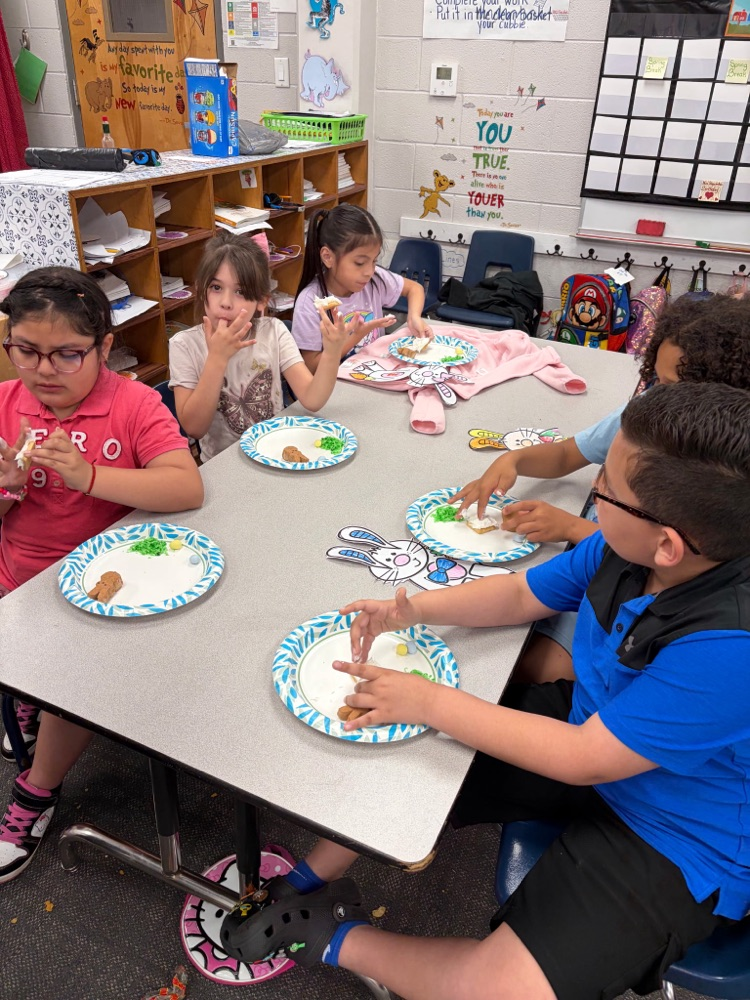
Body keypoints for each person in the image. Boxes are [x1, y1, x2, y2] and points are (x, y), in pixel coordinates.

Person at [221, 382, 750, 1000]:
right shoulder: (626, 545)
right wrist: (408, 609)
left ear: (667, 543)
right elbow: (523, 592)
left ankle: (330, 935)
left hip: (679, 830)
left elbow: (583, 758)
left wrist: (429, 700)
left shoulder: (730, 646)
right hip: (593, 728)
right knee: (406, 749)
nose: (593, 495)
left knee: (499, 990)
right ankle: (310, 876)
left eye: (604, 488)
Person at [0, 266, 203, 882]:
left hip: (104, 597)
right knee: (29, 666)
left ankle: (36, 791)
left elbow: (185, 486)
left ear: (104, 348)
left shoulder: (133, 402)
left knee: (70, 682)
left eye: (67, 354)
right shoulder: (6, 404)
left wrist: (90, 477)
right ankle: (30, 699)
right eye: (26, 351)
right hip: (19, 583)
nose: (44, 370)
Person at [454, 294, 750, 683]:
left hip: (620, 606)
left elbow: (668, 559)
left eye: (670, 386)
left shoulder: (718, 490)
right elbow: (567, 455)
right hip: (592, 568)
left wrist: (572, 528)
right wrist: (512, 460)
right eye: (654, 380)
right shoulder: (647, 418)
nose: (654, 394)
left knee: (501, 666)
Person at [168, 232, 348, 462]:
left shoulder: (273, 331)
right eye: (215, 287)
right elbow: (194, 428)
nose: (225, 302)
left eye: (240, 291)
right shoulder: (184, 345)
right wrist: (217, 358)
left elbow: (312, 399)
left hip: (274, 453)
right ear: (201, 289)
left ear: (262, 301)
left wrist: (332, 353)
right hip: (223, 466)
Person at [292, 204, 433, 372]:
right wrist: (357, 335)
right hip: (337, 388)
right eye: (359, 263)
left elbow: (414, 288)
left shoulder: (374, 280)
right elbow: (312, 367)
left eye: (374, 261)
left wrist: (414, 317)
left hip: (375, 374)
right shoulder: (310, 301)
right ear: (328, 257)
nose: (369, 271)